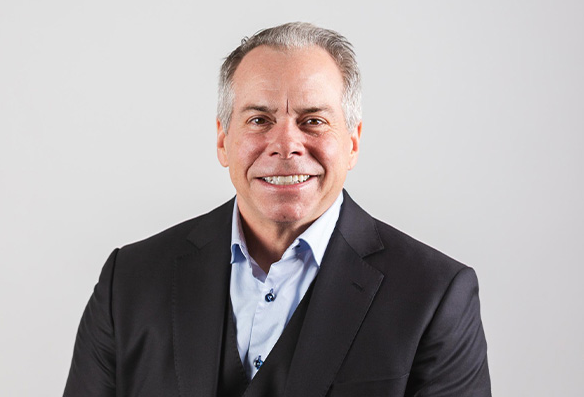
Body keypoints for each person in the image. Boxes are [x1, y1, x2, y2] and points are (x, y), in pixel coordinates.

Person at [64, 22, 491, 397]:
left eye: (313, 120)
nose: (286, 145)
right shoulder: (130, 281)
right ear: (222, 140)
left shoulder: (435, 295)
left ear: (353, 141)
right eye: (258, 120)